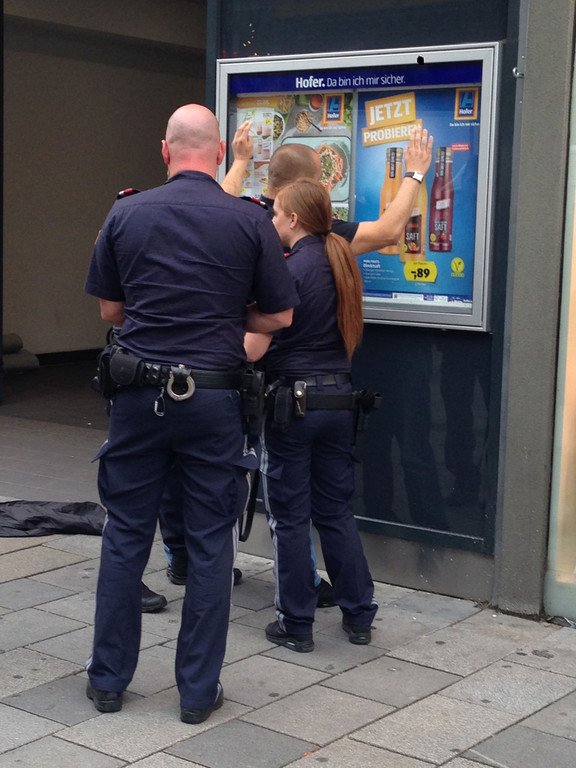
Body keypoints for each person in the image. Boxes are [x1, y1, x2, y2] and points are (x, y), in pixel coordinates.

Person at [84, 104, 298, 722]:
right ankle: (198, 694)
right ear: (219, 152)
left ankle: (108, 682)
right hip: (213, 399)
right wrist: (227, 317)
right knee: (209, 544)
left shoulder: (126, 213)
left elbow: (110, 311)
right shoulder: (250, 219)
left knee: (126, 533)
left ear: (165, 150)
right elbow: (280, 315)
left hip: (138, 395)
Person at [244, 179, 376, 651]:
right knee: (336, 511)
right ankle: (359, 614)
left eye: (276, 212)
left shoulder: (288, 270)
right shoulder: (342, 263)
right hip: (339, 400)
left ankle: (296, 623)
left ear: (294, 219)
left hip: (292, 406)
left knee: (289, 517)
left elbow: (253, 349)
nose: (272, 220)